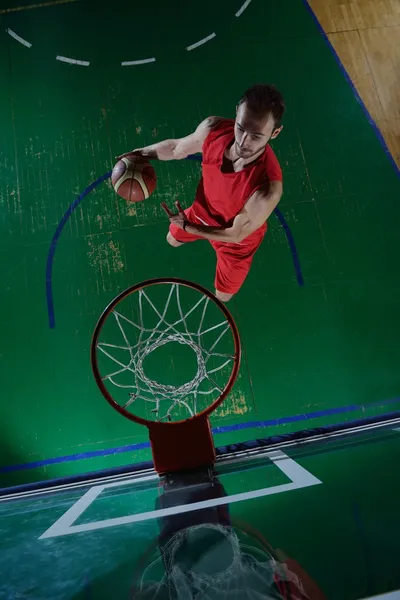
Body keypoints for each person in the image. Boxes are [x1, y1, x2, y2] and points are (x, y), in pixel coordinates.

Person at [118, 84, 285, 302]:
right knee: (172, 239)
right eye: (241, 128)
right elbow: (177, 148)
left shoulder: (268, 188)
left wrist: (189, 227)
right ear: (236, 112)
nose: (243, 141)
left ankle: (198, 240)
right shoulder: (213, 129)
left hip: (236, 242)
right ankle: (187, 231)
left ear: (275, 133)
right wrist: (141, 153)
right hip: (202, 213)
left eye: (256, 136)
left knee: (223, 296)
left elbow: (236, 235)